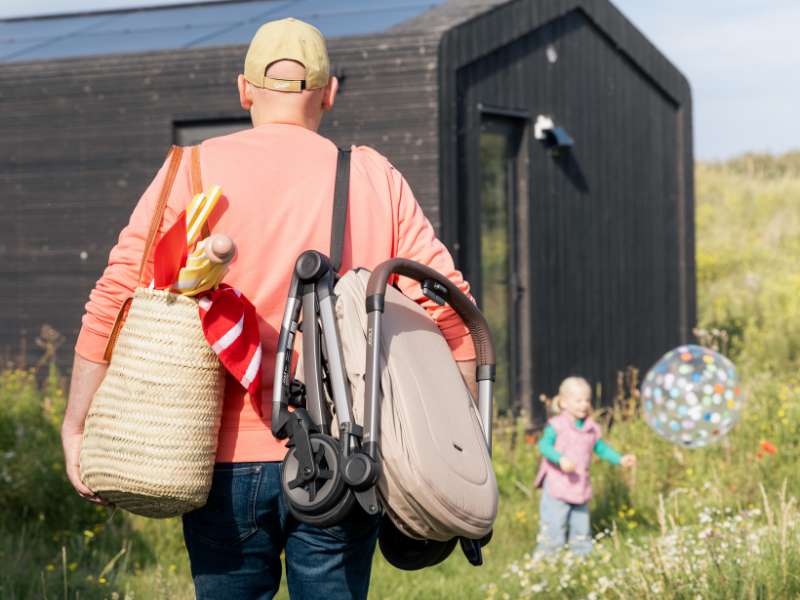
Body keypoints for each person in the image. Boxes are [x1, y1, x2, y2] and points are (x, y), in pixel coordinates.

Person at [60, 17, 477, 600]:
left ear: (243, 90)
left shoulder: (191, 169)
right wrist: (460, 443)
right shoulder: (372, 175)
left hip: (216, 457)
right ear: (330, 94)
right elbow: (451, 308)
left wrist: (76, 424)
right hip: (343, 456)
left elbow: (115, 298)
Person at [533, 376, 636, 556]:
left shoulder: (591, 428)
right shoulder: (557, 425)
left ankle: (582, 559)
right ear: (563, 403)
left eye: (587, 400)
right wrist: (560, 459)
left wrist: (620, 459)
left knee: (581, 528)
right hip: (557, 485)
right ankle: (547, 560)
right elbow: (544, 446)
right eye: (578, 400)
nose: (584, 405)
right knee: (554, 527)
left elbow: (601, 448)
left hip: (579, 485)